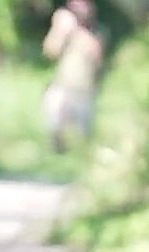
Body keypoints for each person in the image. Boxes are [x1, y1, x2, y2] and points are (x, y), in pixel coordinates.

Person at [41, 0, 104, 153]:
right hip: (63, 84)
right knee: (54, 120)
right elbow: (50, 51)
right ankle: (58, 152)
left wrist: (76, 31)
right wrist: (59, 30)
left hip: (84, 88)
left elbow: (97, 55)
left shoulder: (95, 31)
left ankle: (82, 156)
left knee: (83, 129)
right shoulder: (64, 29)